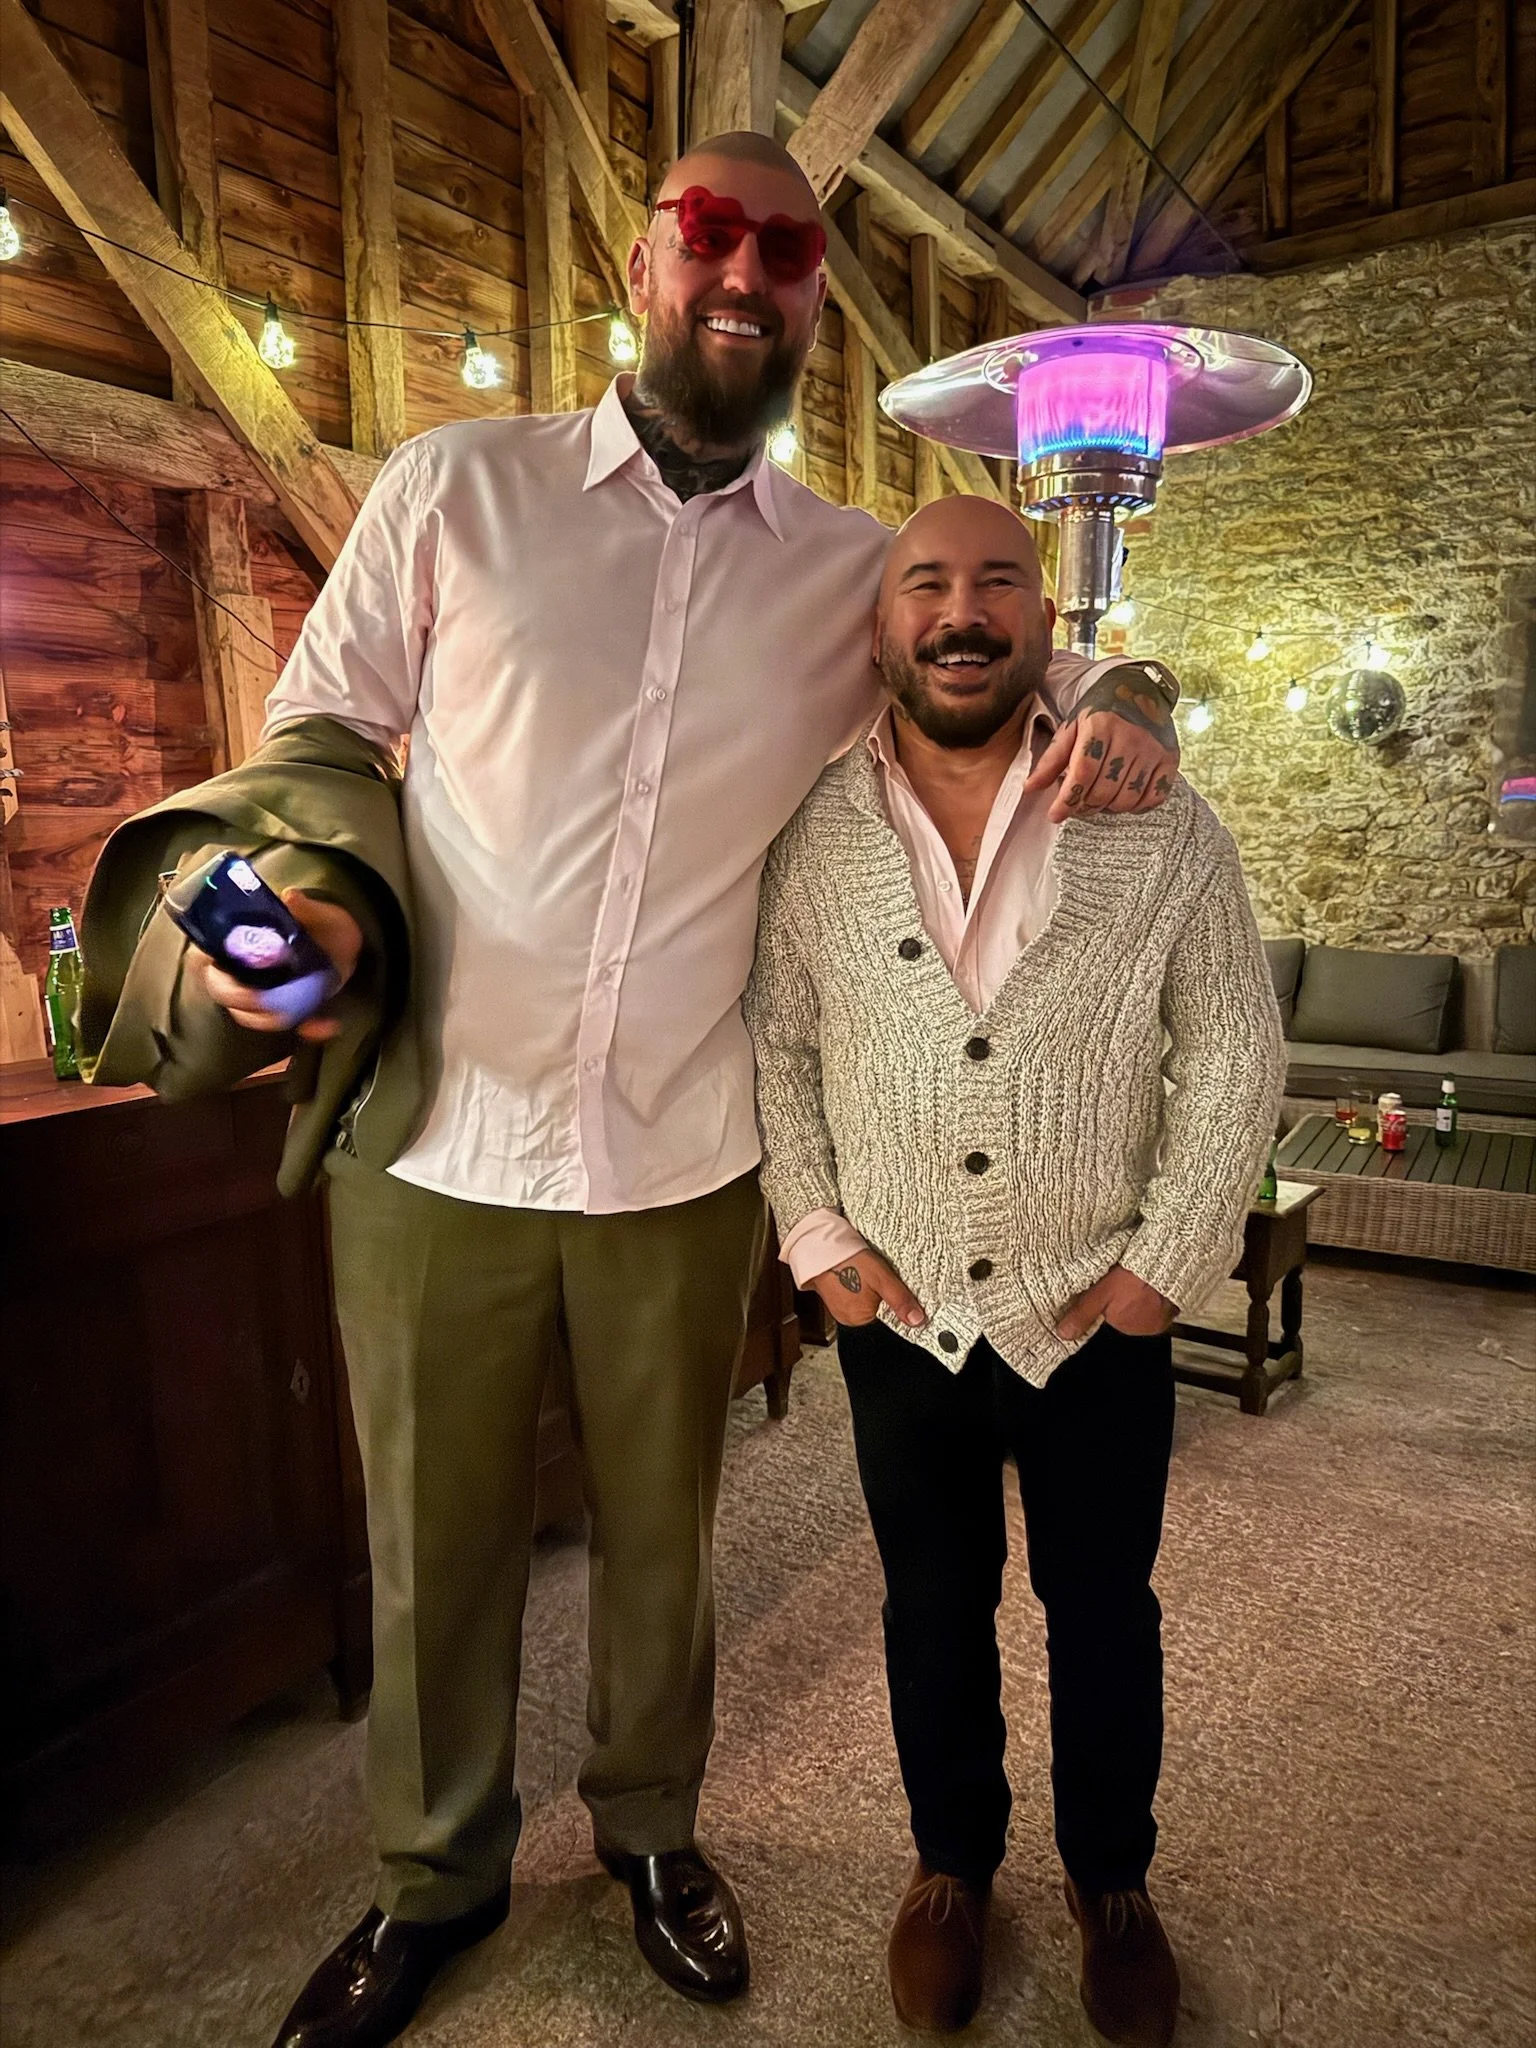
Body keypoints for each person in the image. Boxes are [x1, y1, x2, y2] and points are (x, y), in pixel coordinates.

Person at [76, 135, 1183, 2048]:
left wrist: (1139, 694)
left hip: (685, 1146)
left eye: (789, 247)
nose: (748, 270)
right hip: (439, 1134)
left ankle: (654, 1835)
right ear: (647, 263)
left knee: (664, 1541)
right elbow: (322, 728)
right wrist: (300, 903)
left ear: (814, 295)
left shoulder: (846, 570)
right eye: (711, 232)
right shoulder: (457, 488)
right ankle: (434, 1877)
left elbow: (1014, 662)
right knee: (434, 1546)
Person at [746, 495, 1285, 2048]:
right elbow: (778, 1046)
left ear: (1046, 623)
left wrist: (1166, 1265)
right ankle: (950, 1868)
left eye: (997, 582)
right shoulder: (813, 830)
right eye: (926, 584)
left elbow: (1236, 1047)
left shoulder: (1158, 818)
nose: (961, 612)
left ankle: (1113, 1880)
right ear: (880, 628)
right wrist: (819, 1239)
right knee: (932, 1604)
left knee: (1103, 1607)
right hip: (899, 1309)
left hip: (1095, 1306)